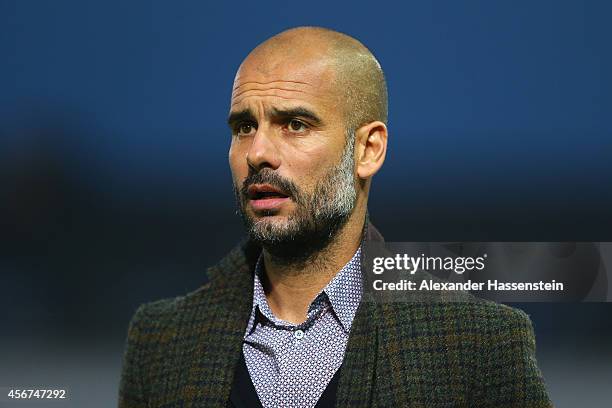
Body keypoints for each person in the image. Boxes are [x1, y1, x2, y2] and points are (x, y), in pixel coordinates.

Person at [119, 26, 552, 408]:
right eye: (244, 127)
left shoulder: (478, 344)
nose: (258, 153)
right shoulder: (162, 340)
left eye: (295, 124)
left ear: (368, 150)